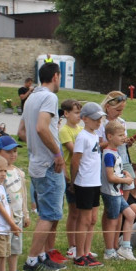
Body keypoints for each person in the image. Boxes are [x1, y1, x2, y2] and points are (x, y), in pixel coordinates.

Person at [19, 62, 66, 271]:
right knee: (49, 215)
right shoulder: (49, 97)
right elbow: (40, 127)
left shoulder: (30, 98)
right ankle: (32, 261)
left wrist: (36, 149)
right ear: (56, 76)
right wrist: (56, 153)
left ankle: (41, 255)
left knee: (48, 213)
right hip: (48, 165)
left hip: (37, 162)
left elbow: (22, 131)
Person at [0, 135, 31, 271]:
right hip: (5, 219)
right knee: (4, 248)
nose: (13, 155)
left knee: (15, 247)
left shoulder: (18, 173)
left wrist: (25, 214)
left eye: (15, 151)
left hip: (18, 216)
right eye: (9, 152)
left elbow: (23, 195)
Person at [70, 102, 104, 268]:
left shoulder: (95, 136)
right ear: (85, 119)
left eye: (100, 119)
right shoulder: (82, 137)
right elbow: (76, 160)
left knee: (92, 219)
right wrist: (73, 180)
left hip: (95, 182)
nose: (98, 122)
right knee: (84, 220)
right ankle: (79, 255)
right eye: (95, 119)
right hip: (84, 183)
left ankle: (87, 251)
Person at [101, 120, 136, 261]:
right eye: (120, 135)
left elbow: (116, 171)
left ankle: (125, 247)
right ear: (110, 137)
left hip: (117, 193)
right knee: (112, 221)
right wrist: (125, 180)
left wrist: (124, 174)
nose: (124, 137)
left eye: (124, 134)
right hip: (111, 193)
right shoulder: (109, 154)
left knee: (130, 215)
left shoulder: (115, 153)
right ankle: (109, 251)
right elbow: (110, 177)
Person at [58, 99, 83, 261]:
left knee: (82, 212)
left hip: (84, 176)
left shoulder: (81, 129)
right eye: (75, 113)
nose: (79, 116)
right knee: (73, 212)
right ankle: (72, 245)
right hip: (71, 175)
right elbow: (75, 151)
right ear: (66, 113)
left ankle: (79, 245)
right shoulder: (64, 130)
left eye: (80, 113)